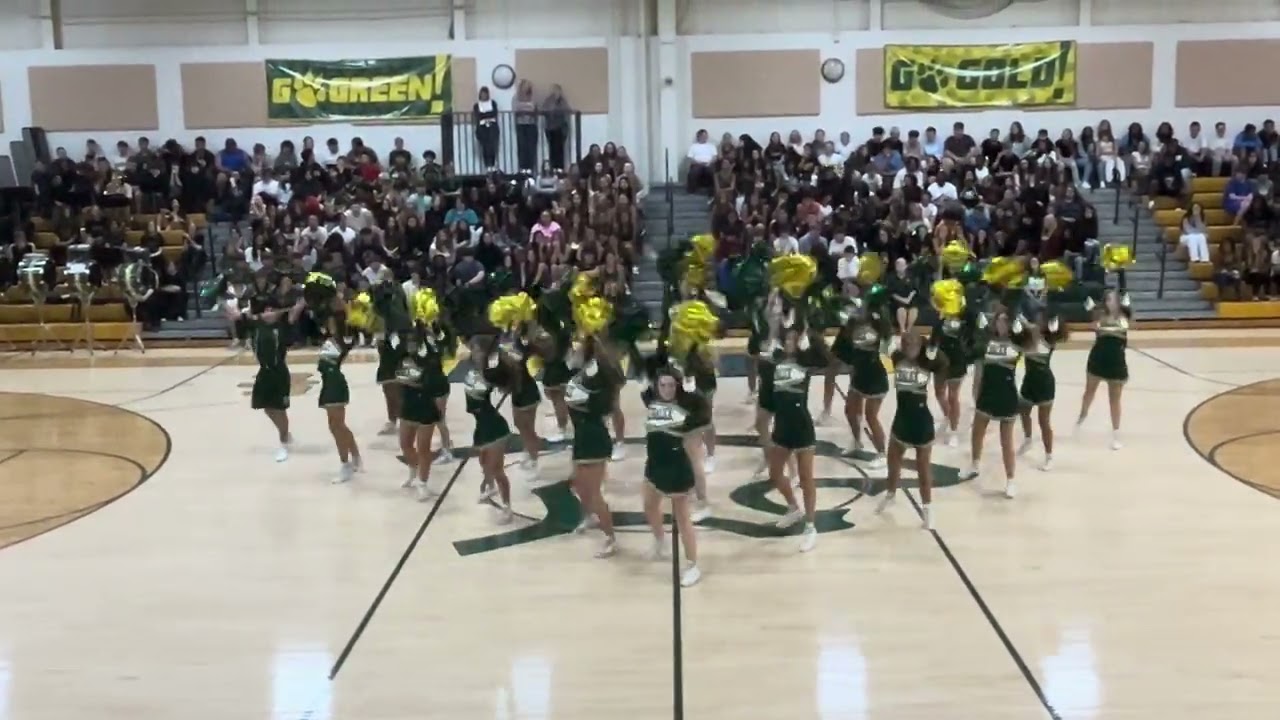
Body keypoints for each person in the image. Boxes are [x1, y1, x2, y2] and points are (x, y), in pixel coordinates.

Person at [764, 324, 829, 553]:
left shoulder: (806, 362)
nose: (790, 342)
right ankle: (793, 507)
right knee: (774, 473)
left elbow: (826, 360)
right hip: (781, 425)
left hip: (801, 425)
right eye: (788, 339)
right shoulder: (778, 360)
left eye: (794, 340)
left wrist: (811, 339)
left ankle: (811, 527)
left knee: (806, 478)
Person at [640, 361, 705, 587]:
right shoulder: (652, 402)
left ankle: (693, 565)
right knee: (649, 505)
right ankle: (660, 541)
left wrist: (689, 386)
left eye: (671, 385)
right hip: (654, 466)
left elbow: (703, 409)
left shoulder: (686, 410)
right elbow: (645, 387)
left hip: (677, 468)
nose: (667, 389)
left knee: (683, 519)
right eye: (663, 385)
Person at [876, 329, 948, 529]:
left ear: (920, 344)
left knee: (923, 469)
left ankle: (927, 509)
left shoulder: (927, 361)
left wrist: (934, 351)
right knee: (892, 461)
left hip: (921, 421)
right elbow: (884, 340)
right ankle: (890, 494)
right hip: (901, 419)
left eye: (913, 344)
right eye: (905, 343)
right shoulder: (897, 357)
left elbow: (943, 363)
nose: (908, 347)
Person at [567, 336, 623, 558]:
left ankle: (611, 538)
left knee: (593, 491)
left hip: (593, 438)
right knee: (579, 485)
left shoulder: (597, 377)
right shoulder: (586, 371)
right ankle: (589, 516)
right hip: (581, 435)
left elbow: (602, 406)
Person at [962, 309, 1024, 498]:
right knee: (977, 432)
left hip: (1006, 395)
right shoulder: (986, 343)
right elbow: (972, 355)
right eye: (999, 321)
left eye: (1005, 321)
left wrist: (1021, 322)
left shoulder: (1017, 344)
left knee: (1006, 442)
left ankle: (1011, 480)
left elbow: (1033, 336)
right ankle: (974, 465)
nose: (1001, 324)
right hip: (987, 393)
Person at [465, 337, 516, 523]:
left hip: (495, 427)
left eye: (478, 350)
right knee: (483, 462)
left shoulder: (490, 374)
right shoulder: (472, 372)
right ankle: (490, 486)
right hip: (480, 425)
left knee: (497, 469)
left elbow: (506, 384)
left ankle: (507, 507)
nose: (474, 353)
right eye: (473, 350)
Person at [248, 296, 305, 462]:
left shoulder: (282, 326)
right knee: (266, 407)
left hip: (278, 371)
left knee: (279, 408)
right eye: (266, 310)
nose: (269, 313)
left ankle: (284, 443)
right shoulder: (257, 325)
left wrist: (300, 304)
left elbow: (294, 313)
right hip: (263, 371)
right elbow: (237, 316)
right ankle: (286, 433)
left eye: (272, 310)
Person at [398, 322, 449, 501]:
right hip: (408, 405)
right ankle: (414, 470)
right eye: (408, 341)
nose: (409, 344)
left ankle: (423, 482)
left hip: (426, 406)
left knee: (424, 449)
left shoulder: (430, 356)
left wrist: (411, 380)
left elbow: (422, 380)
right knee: (405, 444)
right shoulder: (404, 355)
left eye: (413, 341)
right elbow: (400, 376)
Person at [1076, 289, 1130, 450]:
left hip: (1116, 362)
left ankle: (1116, 434)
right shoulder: (1099, 316)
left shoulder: (1124, 317)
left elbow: (1128, 322)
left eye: (1113, 299)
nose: (1110, 302)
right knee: (1089, 393)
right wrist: (1092, 309)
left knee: (1114, 400)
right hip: (1098, 360)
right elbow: (1093, 323)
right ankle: (1082, 415)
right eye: (1107, 299)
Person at [843, 293, 891, 467]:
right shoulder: (853, 324)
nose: (859, 309)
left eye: (863, 307)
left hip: (875, 375)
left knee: (871, 417)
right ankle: (857, 442)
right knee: (850, 411)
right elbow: (847, 342)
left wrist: (875, 315)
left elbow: (884, 336)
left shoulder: (878, 326)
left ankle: (882, 454)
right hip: (859, 374)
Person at [316, 300, 362, 484]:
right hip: (328, 383)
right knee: (337, 426)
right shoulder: (331, 339)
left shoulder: (343, 340)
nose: (328, 324)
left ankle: (346, 465)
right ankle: (356, 456)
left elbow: (349, 318)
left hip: (335, 383)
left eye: (331, 321)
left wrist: (343, 306)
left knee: (337, 427)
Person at [1017, 310, 1066, 471]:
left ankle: (1049, 456)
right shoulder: (1028, 337)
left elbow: (1057, 328)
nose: (1036, 323)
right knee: (1023, 411)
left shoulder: (1049, 340)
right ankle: (1028, 439)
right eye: (1035, 320)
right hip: (1029, 382)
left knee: (1043, 421)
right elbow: (1022, 322)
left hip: (1044, 383)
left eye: (1040, 321)